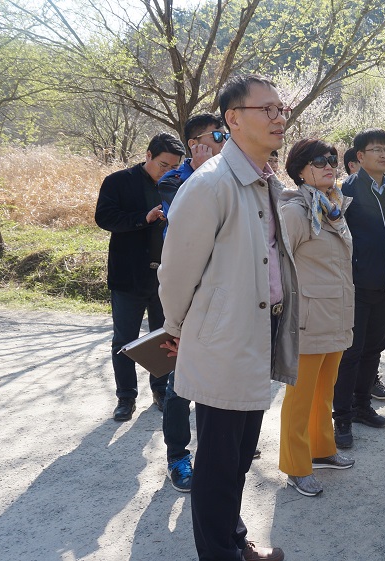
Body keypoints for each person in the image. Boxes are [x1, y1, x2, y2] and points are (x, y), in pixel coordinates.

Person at [158, 74, 296, 561]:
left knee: (237, 458)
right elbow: (176, 272)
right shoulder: (211, 183)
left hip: (256, 332)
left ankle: (234, 543)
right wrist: (177, 329)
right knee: (218, 463)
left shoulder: (263, 181)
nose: (280, 118)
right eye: (268, 110)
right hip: (223, 340)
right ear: (233, 119)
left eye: (282, 109)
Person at [278, 138, 357, 497]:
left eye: (332, 159)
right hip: (308, 318)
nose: (329, 165)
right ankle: (295, 465)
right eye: (319, 160)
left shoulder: (334, 207)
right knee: (299, 398)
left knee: (325, 391)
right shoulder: (295, 211)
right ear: (300, 169)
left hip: (336, 316)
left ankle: (322, 449)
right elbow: (279, 265)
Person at [154, 112, 228, 492]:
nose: (223, 139)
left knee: (219, 381)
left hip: (225, 297)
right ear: (196, 142)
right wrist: (200, 170)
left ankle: (217, 447)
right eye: (217, 134)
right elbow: (182, 214)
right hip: (189, 296)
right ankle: (178, 457)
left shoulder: (235, 174)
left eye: (225, 133)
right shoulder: (174, 180)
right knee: (179, 387)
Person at [95, 132, 185, 422]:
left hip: (166, 277)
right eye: (163, 165)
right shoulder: (118, 181)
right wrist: (142, 218)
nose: (169, 172)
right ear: (147, 155)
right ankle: (125, 398)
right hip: (128, 275)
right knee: (124, 339)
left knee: (164, 337)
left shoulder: (180, 185)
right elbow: (104, 218)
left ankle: (160, 391)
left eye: (174, 167)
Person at [332, 128, 385, 448]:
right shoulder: (346, 190)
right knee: (350, 353)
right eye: (377, 149)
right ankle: (343, 417)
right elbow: (336, 236)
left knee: (374, 349)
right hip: (357, 286)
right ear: (360, 157)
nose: (384, 154)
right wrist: (353, 271)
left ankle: (363, 405)